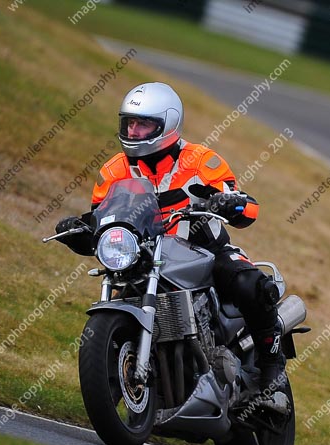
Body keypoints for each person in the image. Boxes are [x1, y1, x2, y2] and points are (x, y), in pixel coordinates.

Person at [55, 82, 285, 395]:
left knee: (249, 284)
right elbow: (103, 217)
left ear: (169, 124)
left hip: (205, 250)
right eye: (130, 124)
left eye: (144, 124)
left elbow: (247, 205)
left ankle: (272, 366)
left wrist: (231, 202)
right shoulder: (113, 170)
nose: (135, 132)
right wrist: (81, 229)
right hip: (146, 256)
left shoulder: (203, 161)